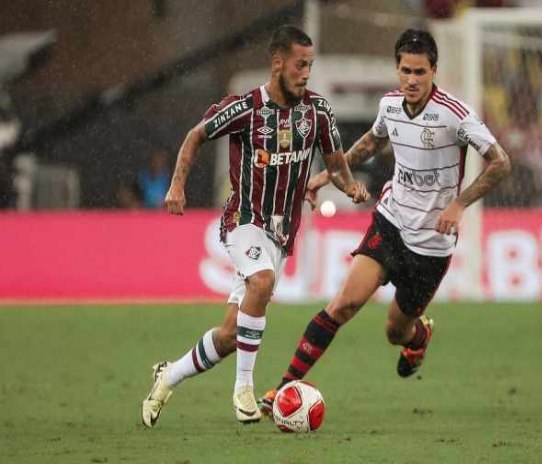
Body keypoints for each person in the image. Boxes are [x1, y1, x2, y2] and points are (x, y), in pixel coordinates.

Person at [258, 28, 511, 413]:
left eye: (420, 72)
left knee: (395, 331)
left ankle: (418, 335)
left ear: (434, 71)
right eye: (406, 71)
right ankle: (283, 388)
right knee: (342, 305)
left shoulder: (454, 115)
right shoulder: (390, 106)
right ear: (397, 69)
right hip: (389, 222)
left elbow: (500, 162)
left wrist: (458, 205)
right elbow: (373, 142)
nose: (412, 79)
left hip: (431, 245)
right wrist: (329, 175)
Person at [141, 25, 369, 428]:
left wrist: (349, 185)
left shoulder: (317, 111)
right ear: (277, 62)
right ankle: (243, 389)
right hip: (244, 220)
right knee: (261, 283)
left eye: (310, 66)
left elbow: (334, 161)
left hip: (282, 233)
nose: (306, 73)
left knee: (231, 335)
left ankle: (168, 376)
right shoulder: (245, 108)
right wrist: (177, 184)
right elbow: (196, 136)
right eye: (300, 65)